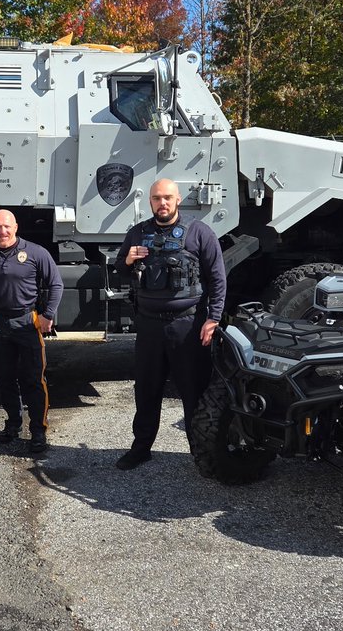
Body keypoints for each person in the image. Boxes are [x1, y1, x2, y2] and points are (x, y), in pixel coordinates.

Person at [113, 178, 226, 470]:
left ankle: (200, 453)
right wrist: (127, 259)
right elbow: (120, 271)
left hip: (186, 326)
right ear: (150, 202)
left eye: (167, 198)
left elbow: (217, 279)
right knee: (146, 390)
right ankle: (141, 448)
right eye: (156, 199)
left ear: (178, 200)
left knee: (193, 392)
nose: (162, 203)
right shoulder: (137, 233)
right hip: (149, 327)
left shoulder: (199, 232)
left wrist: (213, 318)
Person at [0, 209, 63, 455]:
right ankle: (13, 424)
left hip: (27, 322)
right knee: (4, 378)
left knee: (34, 379)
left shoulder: (35, 252)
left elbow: (56, 283)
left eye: (6, 226)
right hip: (0, 323)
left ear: (16, 227)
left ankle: (38, 430)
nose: (2, 231)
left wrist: (48, 315)